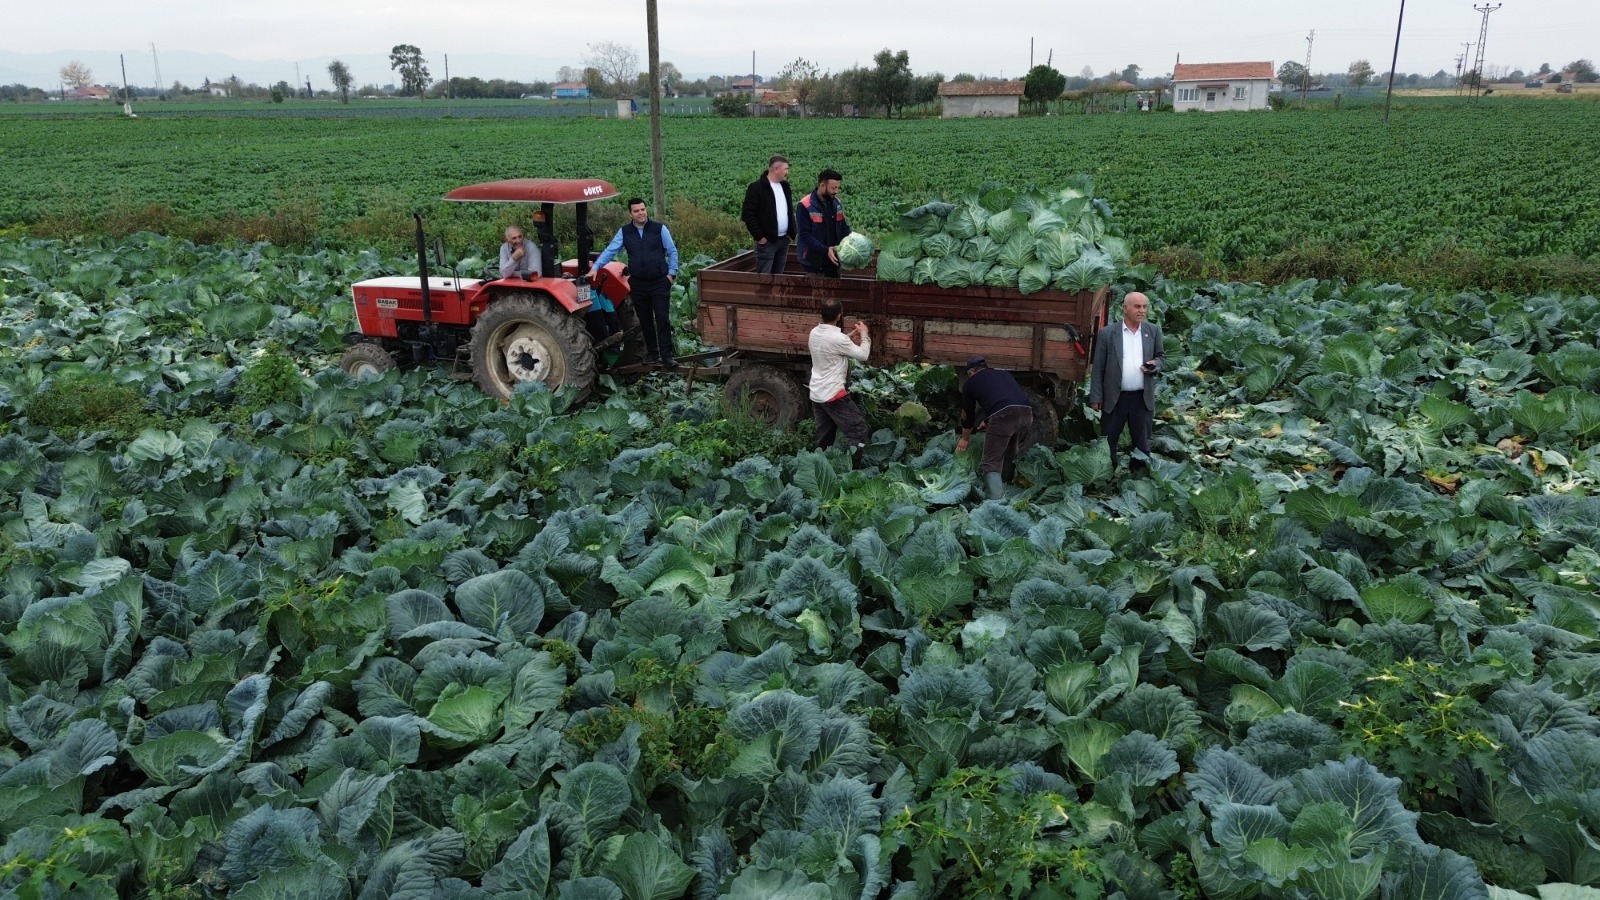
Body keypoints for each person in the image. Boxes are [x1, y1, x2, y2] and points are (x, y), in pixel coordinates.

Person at [591, 198, 680, 366]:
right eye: (637, 211)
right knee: (645, 321)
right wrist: (596, 267)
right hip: (638, 284)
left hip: (660, 282)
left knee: (662, 319)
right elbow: (610, 250)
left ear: (646, 210)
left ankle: (667, 355)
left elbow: (672, 251)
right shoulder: (625, 232)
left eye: (643, 209)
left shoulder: (659, 229)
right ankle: (652, 354)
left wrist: (671, 274)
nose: (641, 213)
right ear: (630, 214)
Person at [1089, 292, 1165, 473]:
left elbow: (1162, 357)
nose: (1142, 310)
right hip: (1115, 397)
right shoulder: (1108, 333)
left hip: (1141, 398)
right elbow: (1098, 367)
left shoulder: (1152, 331)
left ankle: (1139, 477)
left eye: (1145, 307)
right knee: (1108, 440)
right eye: (1137, 306)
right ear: (1125, 309)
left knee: (1142, 441)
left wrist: (1155, 365)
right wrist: (1096, 396)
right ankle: (1107, 473)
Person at [954, 357, 1035, 500]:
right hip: (1027, 413)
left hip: (1005, 416)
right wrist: (988, 421)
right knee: (1010, 447)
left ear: (971, 372)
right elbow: (1004, 399)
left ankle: (995, 502)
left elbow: (967, 414)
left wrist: (964, 438)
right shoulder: (1004, 374)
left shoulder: (971, 383)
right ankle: (1007, 481)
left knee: (991, 461)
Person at [807, 298, 871, 465]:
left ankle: (818, 467)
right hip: (833, 395)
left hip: (817, 394)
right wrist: (864, 334)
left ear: (822, 314)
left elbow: (831, 342)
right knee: (859, 430)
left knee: (824, 437)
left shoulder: (814, 332)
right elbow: (863, 355)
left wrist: (849, 337)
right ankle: (852, 467)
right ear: (839, 315)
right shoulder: (838, 339)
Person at [740, 155, 793, 274]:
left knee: (778, 279)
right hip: (767, 242)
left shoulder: (785, 187)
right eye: (786, 169)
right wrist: (760, 237)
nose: (787, 172)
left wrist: (790, 232)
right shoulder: (757, 188)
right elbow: (748, 214)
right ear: (776, 169)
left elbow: (789, 210)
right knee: (764, 280)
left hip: (784, 240)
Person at [796, 168, 851, 278]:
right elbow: (805, 235)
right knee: (818, 293)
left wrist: (851, 241)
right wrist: (826, 250)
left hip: (834, 259)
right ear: (822, 186)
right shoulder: (805, 205)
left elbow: (843, 226)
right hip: (815, 262)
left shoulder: (836, 203)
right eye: (833, 188)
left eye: (837, 187)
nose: (836, 191)